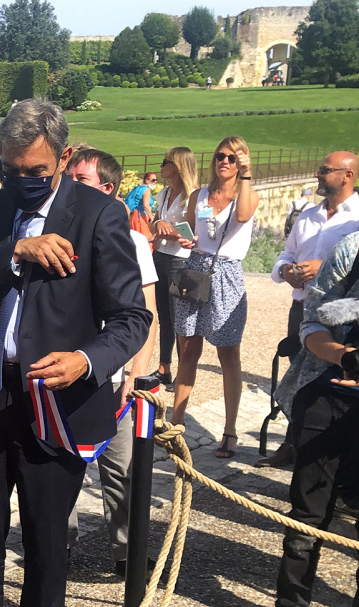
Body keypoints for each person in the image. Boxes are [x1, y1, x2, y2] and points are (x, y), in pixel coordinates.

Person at [0, 99, 151, 607]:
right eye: (10, 169)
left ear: (64, 155)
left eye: (36, 170)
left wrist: (87, 360)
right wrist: (12, 251)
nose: (22, 179)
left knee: (46, 541)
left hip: (57, 403)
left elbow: (131, 319)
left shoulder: (100, 214)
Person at [66, 148, 159, 577]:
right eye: (69, 176)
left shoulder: (134, 240)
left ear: (107, 189)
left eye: (80, 179)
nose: (70, 185)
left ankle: (127, 551)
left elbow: (146, 313)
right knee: (61, 465)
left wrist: (136, 372)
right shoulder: (56, 230)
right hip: (66, 369)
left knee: (121, 468)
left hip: (115, 372)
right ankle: (57, 544)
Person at [272, 231, 359, 607]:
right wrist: (346, 356)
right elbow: (311, 324)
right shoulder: (352, 249)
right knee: (305, 520)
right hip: (329, 394)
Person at [262, 152, 359, 469]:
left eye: (324, 170)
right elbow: (284, 255)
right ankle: (294, 444)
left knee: (341, 376)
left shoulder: (356, 218)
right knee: (300, 379)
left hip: (342, 316)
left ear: (347, 175)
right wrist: (285, 271)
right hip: (302, 309)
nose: (317, 175)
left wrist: (325, 267)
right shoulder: (306, 216)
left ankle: (333, 456)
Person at [170, 136, 260, 459]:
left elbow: (241, 217)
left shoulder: (246, 196)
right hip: (195, 269)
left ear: (243, 163)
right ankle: (176, 421)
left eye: (233, 158)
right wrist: (182, 237)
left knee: (228, 354)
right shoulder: (199, 195)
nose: (225, 161)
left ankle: (230, 430)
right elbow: (193, 235)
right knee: (188, 348)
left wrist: (246, 177)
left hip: (226, 275)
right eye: (221, 156)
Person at [149, 148, 199, 389]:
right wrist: (158, 222)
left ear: (177, 166)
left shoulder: (194, 197)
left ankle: (184, 371)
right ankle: (164, 367)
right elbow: (154, 222)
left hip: (182, 260)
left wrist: (172, 233)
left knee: (182, 319)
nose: (161, 167)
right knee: (164, 316)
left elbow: (200, 232)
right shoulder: (164, 193)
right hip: (161, 257)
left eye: (165, 162)